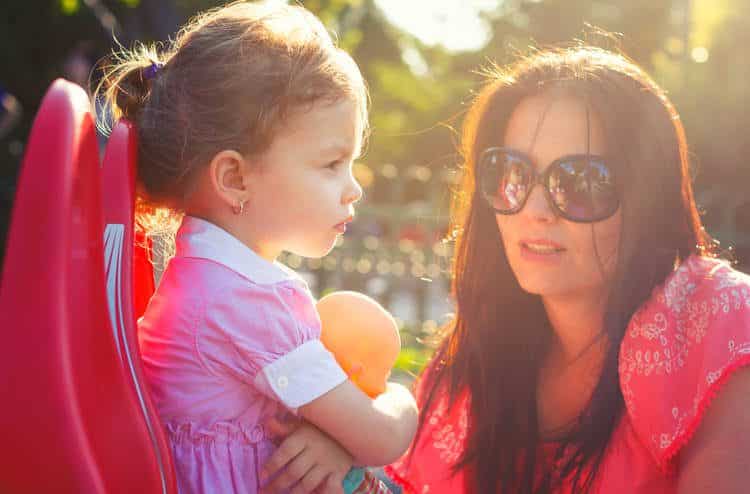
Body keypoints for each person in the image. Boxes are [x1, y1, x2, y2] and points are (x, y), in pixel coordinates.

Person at [380, 46, 750, 493]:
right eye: (511, 173)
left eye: (579, 182)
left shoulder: (723, 325)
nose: (534, 210)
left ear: (646, 198)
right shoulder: (473, 361)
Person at [96, 2, 417, 493]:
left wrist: (331, 440)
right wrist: (404, 400)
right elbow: (382, 436)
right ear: (235, 177)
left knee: (355, 322)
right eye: (332, 164)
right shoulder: (245, 303)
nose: (353, 188)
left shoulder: (208, 278)